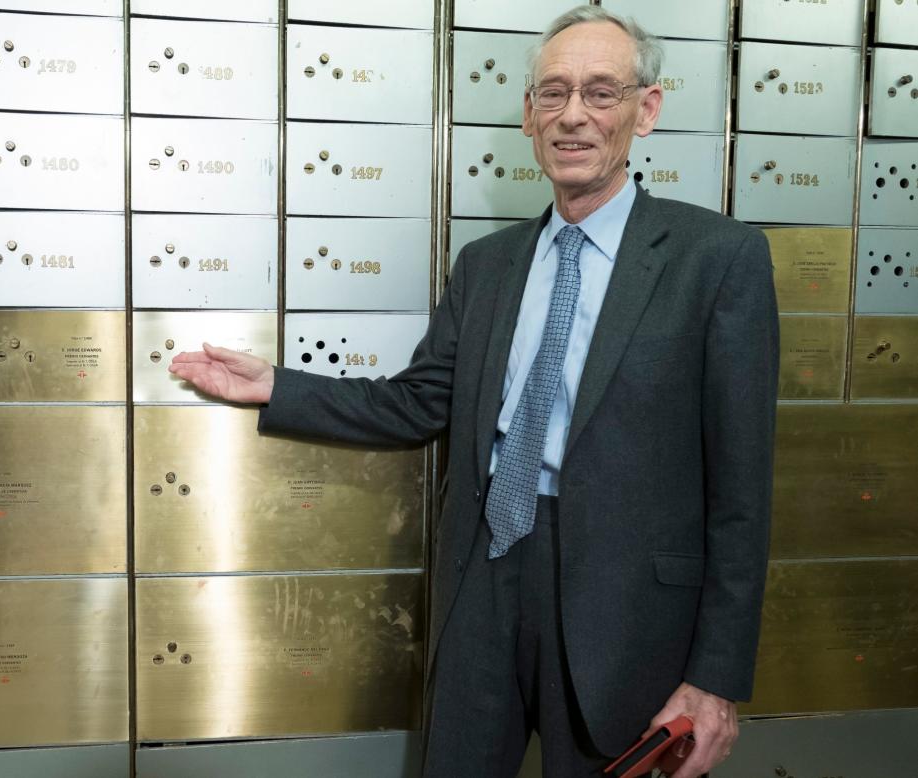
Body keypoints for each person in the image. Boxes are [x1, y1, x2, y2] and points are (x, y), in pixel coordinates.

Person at [169, 7, 778, 777]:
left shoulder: (716, 259)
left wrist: (715, 678)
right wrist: (276, 386)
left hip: (625, 608)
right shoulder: (487, 264)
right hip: (484, 571)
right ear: (528, 115)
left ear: (645, 110)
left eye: (600, 93)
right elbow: (419, 402)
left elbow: (741, 490)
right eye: (552, 93)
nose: (572, 116)